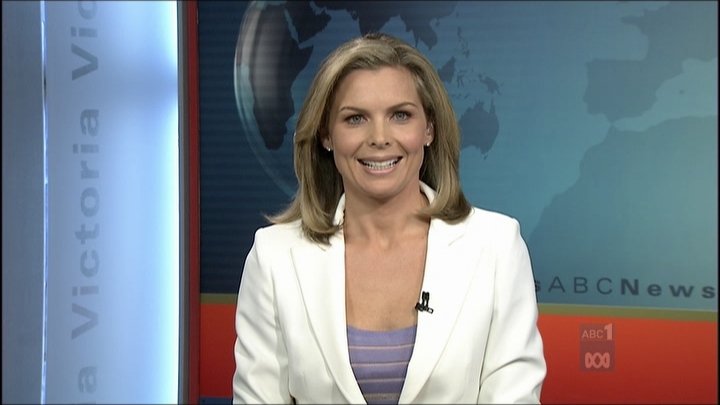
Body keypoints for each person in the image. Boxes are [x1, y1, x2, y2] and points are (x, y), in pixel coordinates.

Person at [232, 32, 546, 404]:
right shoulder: (274, 257)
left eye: (400, 115)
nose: (379, 138)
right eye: (355, 118)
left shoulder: (496, 247)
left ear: (428, 129)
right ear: (326, 135)